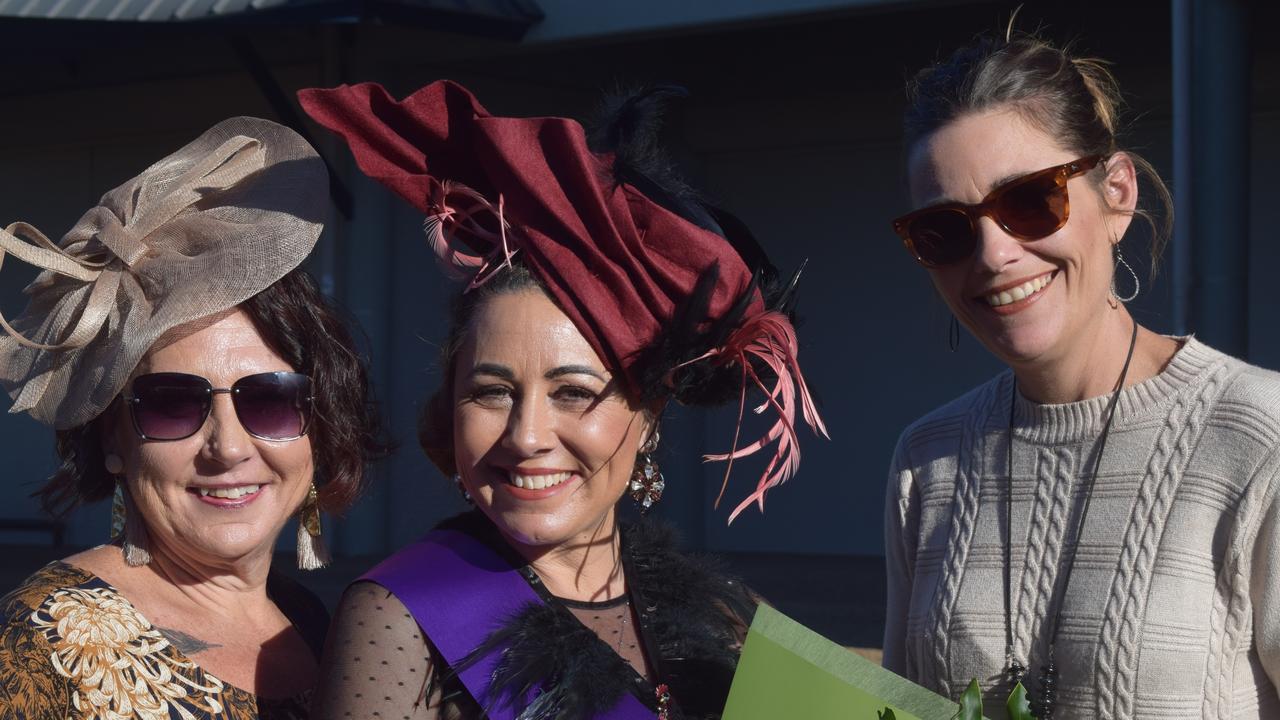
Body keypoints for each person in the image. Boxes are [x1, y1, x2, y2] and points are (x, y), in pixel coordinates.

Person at [297, 81, 827, 719]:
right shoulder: (398, 618)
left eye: (575, 392)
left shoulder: (723, 610)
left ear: (649, 416)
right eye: (492, 392)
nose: (526, 434)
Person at [882, 28, 1280, 720]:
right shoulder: (927, 460)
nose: (995, 253)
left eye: (1029, 202)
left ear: (1117, 194)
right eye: (945, 231)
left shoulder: (1258, 439)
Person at [0, 117, 385, 719]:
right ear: (112, 438)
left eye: (271, 399)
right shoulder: (43, 643)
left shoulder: (314, 623)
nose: (228, 447)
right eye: (173, 402)